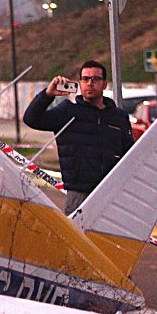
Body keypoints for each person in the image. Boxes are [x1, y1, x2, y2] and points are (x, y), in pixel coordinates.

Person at [23, 60, 133, 215]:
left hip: (111, 193)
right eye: (85, 79)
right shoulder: (67, 112)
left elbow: (129, 153)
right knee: (77, 231)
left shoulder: (118, 116)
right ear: (80, 83)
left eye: (95, 79)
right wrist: (48, 95)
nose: (90, 84)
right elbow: (31, 119)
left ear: (104, 84)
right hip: (79, 194)